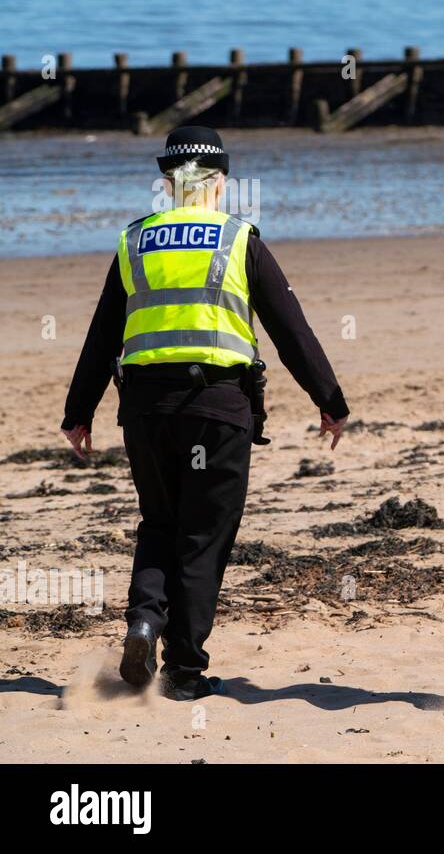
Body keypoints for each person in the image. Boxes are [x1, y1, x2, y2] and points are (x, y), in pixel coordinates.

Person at [60, 125, 349, 701]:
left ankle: (144, 622)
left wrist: (78, 411)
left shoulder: (134, 239)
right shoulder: (239, 239)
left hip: (144, 409)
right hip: (218, 408)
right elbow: (289, 328)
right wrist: (329, 400)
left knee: (159, 524)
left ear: (168, 183)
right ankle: (185, 672)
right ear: (220, 183)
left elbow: (101, 335)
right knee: (203, 537)